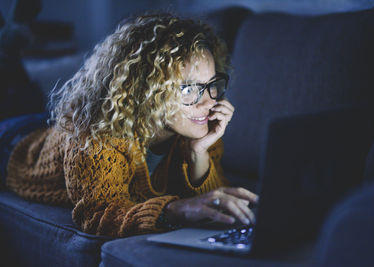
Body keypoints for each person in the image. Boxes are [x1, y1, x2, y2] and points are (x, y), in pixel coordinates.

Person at [5, 13, 258, 237]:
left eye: (211, 84)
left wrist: (197, 152)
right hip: (17, 145)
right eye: (189, 88)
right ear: (145, 89)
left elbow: (216, 205)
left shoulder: (198, 122)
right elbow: (99, 214)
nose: (207, 101)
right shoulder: (97, 134)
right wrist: (175, 209)